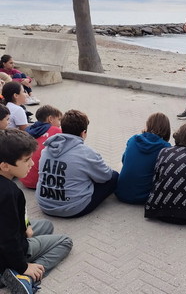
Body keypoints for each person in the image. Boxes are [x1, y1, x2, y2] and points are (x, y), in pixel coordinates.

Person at [0, 128, 72, 294]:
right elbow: (7, 239)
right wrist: (23, 266)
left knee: (46, 225)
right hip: (7, 253)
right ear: (5, 166)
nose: (32, 164)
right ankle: (22, 277)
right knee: (65, 241)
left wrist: (25, 227)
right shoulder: (9, 193)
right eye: (27, 160)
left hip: (7, 239)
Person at [36, 109, 119, 218]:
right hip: (72, 208)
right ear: (84, 133)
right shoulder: (87, 153)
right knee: (114, 176)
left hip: (44, 204)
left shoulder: (47, 149)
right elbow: (106, 176)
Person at [115, 112, 171, 204]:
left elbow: (124, 160)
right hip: (144, 197)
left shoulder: (133, 139)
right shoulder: (165, 148)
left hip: (121, 192)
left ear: (148, 125)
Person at [20, 105, 63, 189]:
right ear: (50, 119)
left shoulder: (28, 130)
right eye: (59, 120)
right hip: (41, 182)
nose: (60, 123)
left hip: (24, 178)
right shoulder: (56, 131)